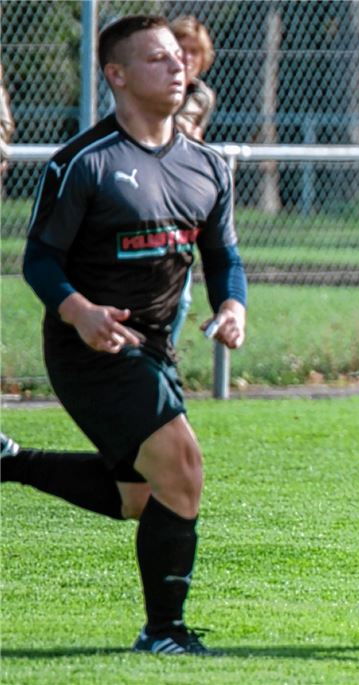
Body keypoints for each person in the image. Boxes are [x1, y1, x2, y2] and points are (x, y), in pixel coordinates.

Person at [1, 14, 247, 656]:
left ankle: (10, 462)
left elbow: (223, 256)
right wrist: (79, 312)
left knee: (139, 496)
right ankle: (164, 632)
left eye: (178, 57)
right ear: (117, 75)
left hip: (156, 347)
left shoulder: (208, 165)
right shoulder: (83, 162)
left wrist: (232, 304)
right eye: (157, 58)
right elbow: (40, 261)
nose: (177, 67)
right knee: (183, 468)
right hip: (91, 348)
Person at [171, 15, 216, 141]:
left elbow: (195, 137)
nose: (187, 58)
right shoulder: (150, 85)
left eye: (194, 52)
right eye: (181, 49)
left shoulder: (203, 96)